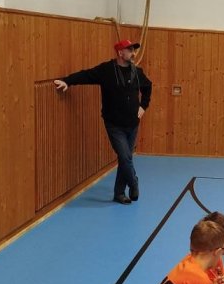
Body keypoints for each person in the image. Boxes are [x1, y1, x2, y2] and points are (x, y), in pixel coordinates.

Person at [54, 39, 152, 204]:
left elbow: (148, 87)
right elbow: (86, 75)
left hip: (133, 124)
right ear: (120, 53)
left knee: (125, 159)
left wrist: (143, 106)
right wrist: (67, 81)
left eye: (133, 50)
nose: (133, 53)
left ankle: (119, 193)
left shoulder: (137, 72)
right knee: (124, 156)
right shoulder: (106, 70)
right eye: (130, 50)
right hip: (114, 124)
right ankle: (134, 182)